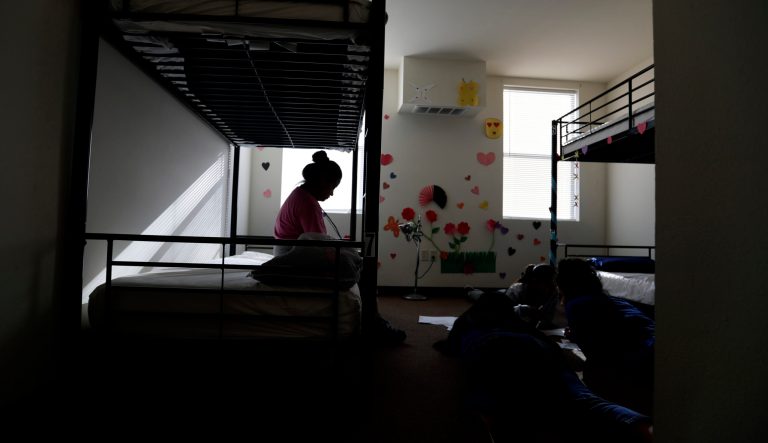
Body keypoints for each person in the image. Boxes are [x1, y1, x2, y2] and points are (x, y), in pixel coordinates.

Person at [434, 292, 653, 443]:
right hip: (536, 350)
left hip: (492, 350)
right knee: (583, 399)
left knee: (497, 403)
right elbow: (546, 343)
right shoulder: (517, 324)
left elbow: (451, 347)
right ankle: (646, 429)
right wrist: (564, 366)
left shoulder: (469, 322)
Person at [274, 150, 406, 345]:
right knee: (363, 269)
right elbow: (321, 247)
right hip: (293, 259)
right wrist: (349, 256)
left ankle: (374, 321)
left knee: (353, 258)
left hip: (289, 254)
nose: (332, 193)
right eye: (332, 187)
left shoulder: (299, 196)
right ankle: (373, 325)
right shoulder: (308, 204)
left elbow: (317, 241)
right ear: (322, 182)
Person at [556, 258, 655, 417]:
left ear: (563, 283)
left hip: (642, 355)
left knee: (590, 374)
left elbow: (597, 349)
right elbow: (610, 328)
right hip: (653, 342)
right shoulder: (606, 300)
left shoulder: (576, 305)